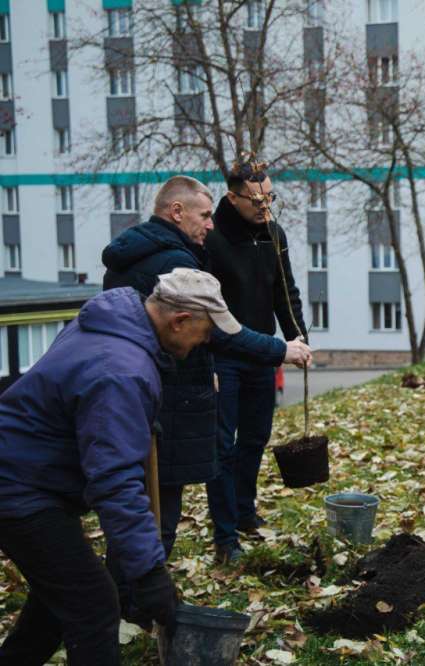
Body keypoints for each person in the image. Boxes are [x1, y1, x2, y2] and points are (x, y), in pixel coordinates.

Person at [0, 269, 236, 664]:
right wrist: (147, 573)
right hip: (19, 488)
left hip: (26, 471)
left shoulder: (113, 326)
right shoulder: (121, 372)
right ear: (179, 321)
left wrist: (134, 421)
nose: (206, 342)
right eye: (206, 332)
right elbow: (115, 482)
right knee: (95, 607)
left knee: (59, 599)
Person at [101, 175, 312, 560]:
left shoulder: (145, 253)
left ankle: (138, 589)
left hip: (146, 380)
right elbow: (218, 329)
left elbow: (283, 292)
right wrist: (278, 350)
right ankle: (153, 585)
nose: (209, 222)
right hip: (176, 381)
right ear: (177, 212)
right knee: (165, 498)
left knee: (147, 494)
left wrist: (291, 339)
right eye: (203, 214)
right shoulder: (180, 260)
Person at [204, 159, 308, 563]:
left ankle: (245, 512)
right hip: (224, 357)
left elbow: (286, 291)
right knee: (222, 448)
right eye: (256, 200)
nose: (265, 207)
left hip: (263, 355)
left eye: (270, 198)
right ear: (232, 197)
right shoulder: (212, 241)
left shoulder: (273, 234)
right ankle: (225, 536)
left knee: (254, 439)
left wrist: (297, 338)